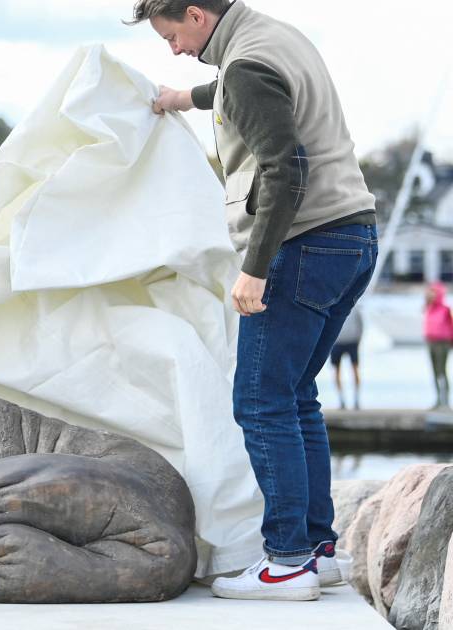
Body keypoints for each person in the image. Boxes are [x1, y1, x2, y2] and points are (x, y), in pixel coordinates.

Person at [128, 0, 378, 601]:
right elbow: (240, 93)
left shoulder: (246, 66)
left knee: (262, 402)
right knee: (297, 397)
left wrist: (255, 270)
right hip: (354, 233)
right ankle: (319, 551)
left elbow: (286, 165)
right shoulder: (270, 39)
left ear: (195, 13)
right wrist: (180, 98)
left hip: (302, 245)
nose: (175, 49)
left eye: (172, 35)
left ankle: (287, 562)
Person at [424, 283, 453, 409]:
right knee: (435, 371)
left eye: (433, 291)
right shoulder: (428, 307)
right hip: (431, 342)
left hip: (443, 343)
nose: (430, 294)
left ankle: (445, 401)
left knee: (442, 371)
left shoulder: (446, 309)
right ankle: (438, 400)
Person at [329, 305, 363, 410]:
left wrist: (357, 340)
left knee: (355, 369)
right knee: (337, 371)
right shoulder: (333, 305)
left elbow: (361, 325)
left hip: (352, 342)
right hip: (337, 343)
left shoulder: (355, 307)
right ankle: (341, 400)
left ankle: (356, 399)